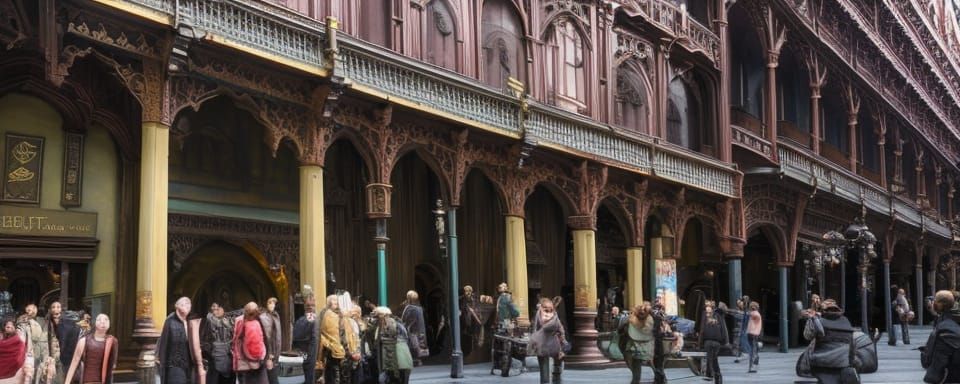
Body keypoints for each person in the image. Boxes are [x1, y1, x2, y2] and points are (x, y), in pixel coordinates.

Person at [803, 299, 859, 384]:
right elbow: (853, 346)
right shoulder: (846, 321)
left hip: (821, 362)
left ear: (823, 311)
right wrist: (851, 363)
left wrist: (811, 319)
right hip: (842, 363)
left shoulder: (819, 321)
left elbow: (807, 336)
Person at [157, 297, 205, 384]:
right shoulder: (170, 321)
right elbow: (164, 344)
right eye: (184, 304)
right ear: (177, 307)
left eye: (189, 304)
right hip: (174, 365)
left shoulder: (188, 322)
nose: (187, 306)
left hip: (188, 365)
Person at [63, 314, 117, 384]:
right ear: (95, 323)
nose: (103, 321)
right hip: (88, 381)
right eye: (99, 319)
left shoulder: (112, 341)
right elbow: (74, 363)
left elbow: (112, 366)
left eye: (106, 319)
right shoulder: (84, 340)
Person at [920, 290, 960, 383]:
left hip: (951, 377)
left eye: (935, 300)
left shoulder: (943, 330)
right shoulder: (949, 321)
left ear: (940, 305)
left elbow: (938, 363)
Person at [318, 295, 357, 384]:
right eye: (335, 301)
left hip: (342, 354)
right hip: (334, 354)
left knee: (342, 378)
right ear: (329, 303)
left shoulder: (341, 316)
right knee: (336, 378)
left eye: (338, 301)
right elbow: (329, 335)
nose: (337, 303)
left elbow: (349, 334)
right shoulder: (328, 315)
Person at [367, 307, 412, 384]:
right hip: (405, 360)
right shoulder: (399, 324)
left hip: (390, 362)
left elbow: (374, 344)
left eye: (376, 316)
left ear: (380, 316)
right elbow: (407, 338)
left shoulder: (379, 326)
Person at [528, 297, 567, 384]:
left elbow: (534, 329)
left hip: (547, 344)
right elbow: (560, 329)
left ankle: (555, 379)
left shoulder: (539, 315)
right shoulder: (549, 315)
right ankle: (556, 380)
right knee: (551, 369)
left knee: (546, 370)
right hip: (549, 344)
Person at [619, 302, 655, 384]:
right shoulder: (650, 320)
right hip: (647, 347)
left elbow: (620, 330)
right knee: (652, 364)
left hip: (634, 348)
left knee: (636, 370)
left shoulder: (630, 320)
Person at [200, 303, 235, 384]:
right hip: (215, 358)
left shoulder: (227, 321)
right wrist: (212, 352)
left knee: (228, 378)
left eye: (219, 307)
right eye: (214, 308)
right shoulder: (208, 321)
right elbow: (204, 340)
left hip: (228, 358)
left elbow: (232, 336)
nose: (216, 310)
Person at [233, 302, 267, 384]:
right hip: (258, 362)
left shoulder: (239, 321)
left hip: (243, 363)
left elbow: (235, 340)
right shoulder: (259, 320)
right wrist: (262, 356)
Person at [293, 287, 318, 384]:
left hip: (303, 354)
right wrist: (311, 358)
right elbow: (314, 340)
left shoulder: (302, 319)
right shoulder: (310, 318)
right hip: (308, 355)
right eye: (310, 305)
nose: (312, 306)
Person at [700, 301, 728, 384]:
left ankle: (711, 375)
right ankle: (716, 376)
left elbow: (702, 329)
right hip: (714, 341)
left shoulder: (707, 316)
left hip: (712, 341)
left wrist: (700, 343)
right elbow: (724, 329)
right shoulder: (718, 316)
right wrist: (725, 341)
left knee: (711, 358)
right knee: (713, 358)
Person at [399, 291, 427, 367]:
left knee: (413, 345)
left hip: (412, 331)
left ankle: (415, 360)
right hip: (418, 331)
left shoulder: (411, 308)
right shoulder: (419, 308)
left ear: (409, 298)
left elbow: (406, 320)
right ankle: (417, 359)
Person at [258, 298, 281, 384]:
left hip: (275, 353)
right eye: (270, 303)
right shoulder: (264, 317)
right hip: (270, 355)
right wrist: (269, 355)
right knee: (272, 379)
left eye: (274, 303)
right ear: (266, 304)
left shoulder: (275, 315)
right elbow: (267, 337)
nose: (272, 305)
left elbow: (277, 337)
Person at [0, 319, 30, 384]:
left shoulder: (18, 342)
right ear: (4, 327)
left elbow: (19, 358)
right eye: (7, 326)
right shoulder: (1, 337)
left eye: (11, 326)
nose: (9, 327)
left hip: (14, 375)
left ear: (14, 328)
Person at [746, 301, 763, 373]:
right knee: (753, 349)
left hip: (753, 334)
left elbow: (753, 315)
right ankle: (754, 363)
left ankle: (752, 366)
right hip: (752, 334)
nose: (752, 308)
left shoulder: (755, 314)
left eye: (753, 306)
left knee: (752, 350)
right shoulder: (754, 314)